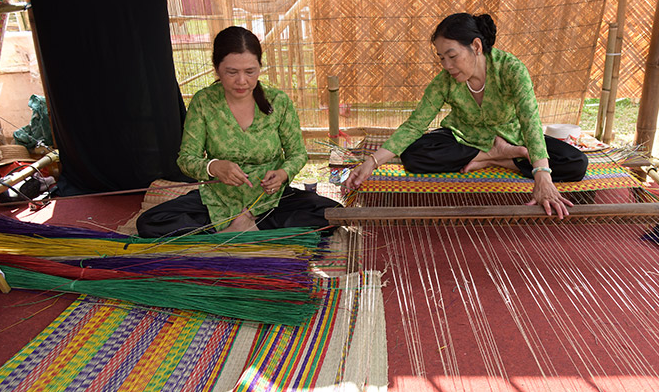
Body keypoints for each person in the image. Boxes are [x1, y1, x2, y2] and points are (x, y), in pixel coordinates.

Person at [343, 13, 588, 219]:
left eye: (452, 56)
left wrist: (542, 176)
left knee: (575, 163)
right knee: (413, 154)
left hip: (512, 137)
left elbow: (530, 121)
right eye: (441, 58)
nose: (447, 65)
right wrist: (371, 163)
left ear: (476, 47)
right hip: (464, 139)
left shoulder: (511, 69)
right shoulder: (444, 82)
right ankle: (492, 155)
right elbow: (414, 126)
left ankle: (500, 157)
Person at [137, 26, 339, 238]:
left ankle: (242, 228)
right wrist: (213, 167)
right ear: (216, 69)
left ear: (260, 67)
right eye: (231, 72)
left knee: (333, 214)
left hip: (269, 200)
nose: (242, 81)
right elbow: (186, 159)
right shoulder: (204, 102)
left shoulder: (278, 102)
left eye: (250, 71)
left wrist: (282, 174)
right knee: (149, 223)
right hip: (218, 199)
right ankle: (239, 227)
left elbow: (297, 153)